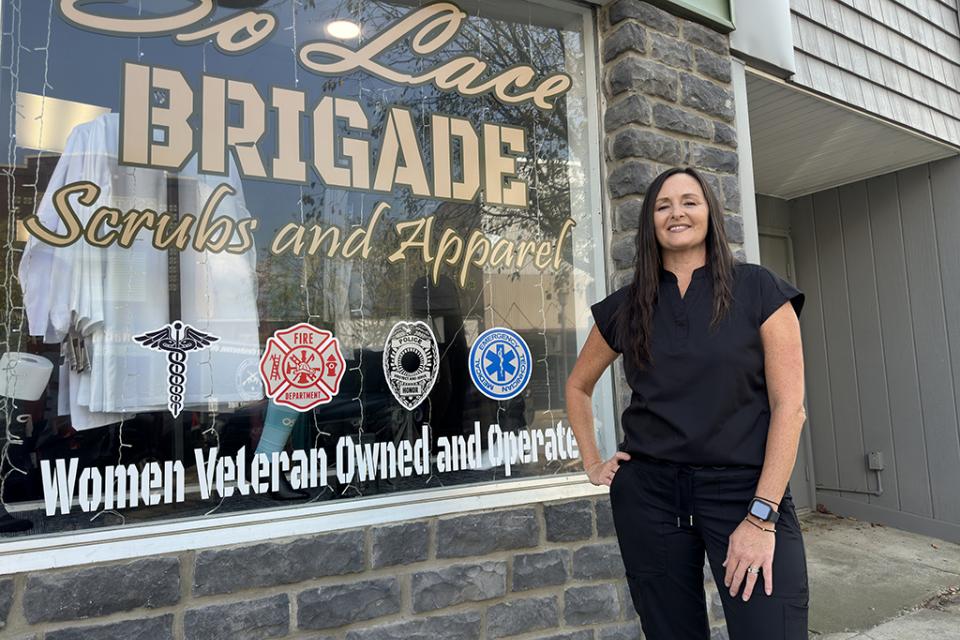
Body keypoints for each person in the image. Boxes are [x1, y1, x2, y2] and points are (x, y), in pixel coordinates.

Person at [565, 166, 809, 639]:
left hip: (744, 492)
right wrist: (592, 462)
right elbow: (577, 385)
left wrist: (762, 516)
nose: (676, 212)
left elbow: (789, 408)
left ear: (709, 214)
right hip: (650, 497)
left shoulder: (759, 290)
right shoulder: (625, 307)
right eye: (663, 205)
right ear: (650, 223)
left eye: (689, 201)